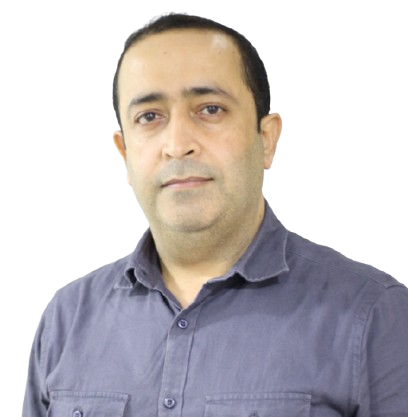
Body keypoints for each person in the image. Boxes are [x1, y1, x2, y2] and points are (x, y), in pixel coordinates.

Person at [22, 12, 408, 417]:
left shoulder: (374, 315)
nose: (177, 144)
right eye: (149, 116)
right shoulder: (66, 318)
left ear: (266, 139)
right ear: (124, 153)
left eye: (210, 109)